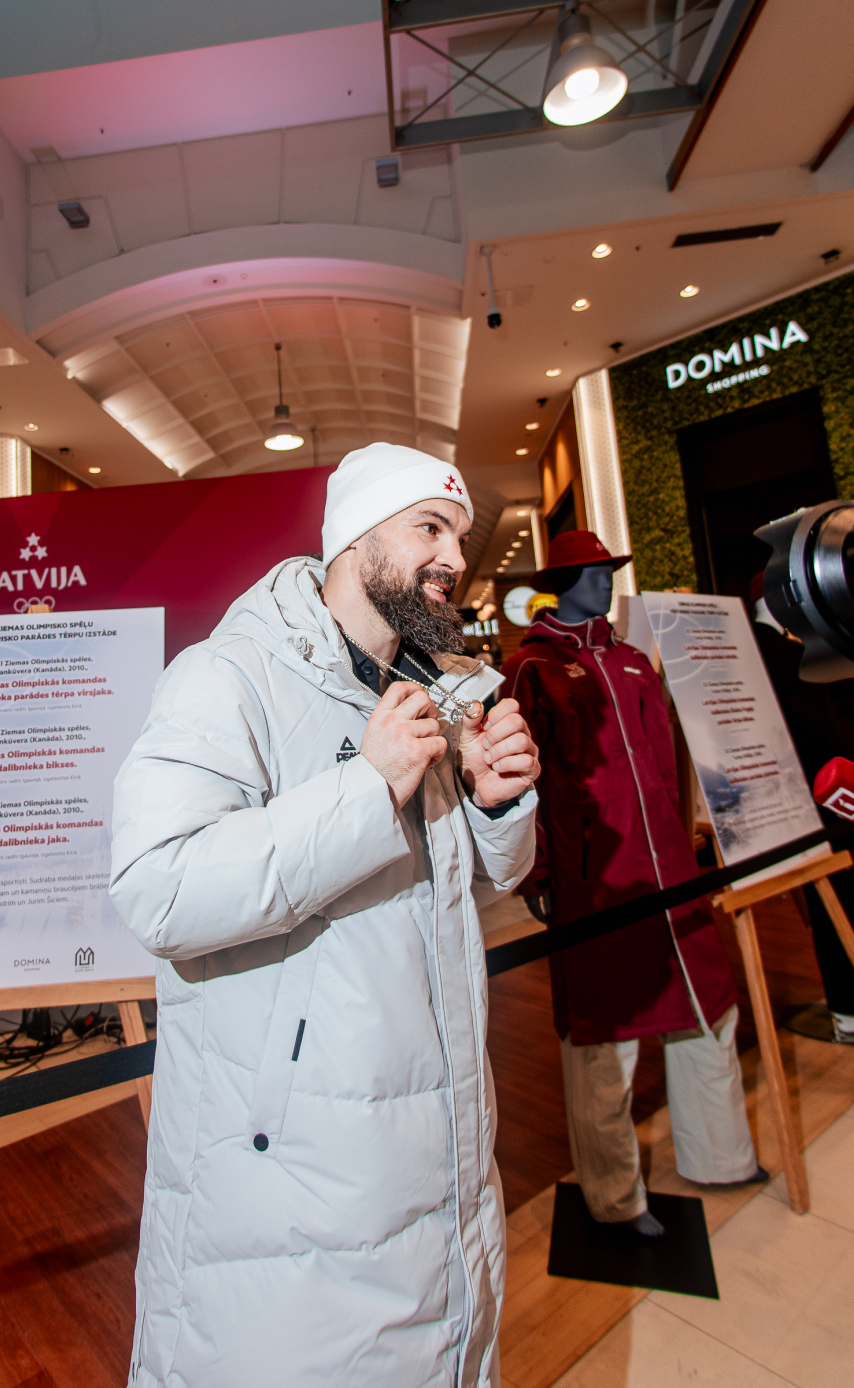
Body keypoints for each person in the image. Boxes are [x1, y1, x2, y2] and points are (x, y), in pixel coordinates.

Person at [110, 442, 540, 1388]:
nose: (454, 557)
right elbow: (160, 888)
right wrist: (367, 790)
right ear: (354, 539)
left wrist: (498, 803)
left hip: (440, 1159)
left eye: (459, 535)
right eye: (430, 527)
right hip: (294, 1183)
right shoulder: (226, 678)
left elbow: (478, 887)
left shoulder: (441, 689)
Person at [502, 530, 763, 1238]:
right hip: (600, 883)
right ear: (562, 582)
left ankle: (721, 1156)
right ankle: (615, 1199)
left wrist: (697, 836)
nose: (604, 585)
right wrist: (542, 872)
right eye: (589, 574)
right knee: (602, 1042)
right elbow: (518, 784)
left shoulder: (633, 664)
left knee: (709, 1007)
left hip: (671, 872)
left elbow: (666, 764)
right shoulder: (530, 668)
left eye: (608, 572)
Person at [749, 572, 854, 1042]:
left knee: (838, 900)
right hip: (812, 801)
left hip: (824, 795)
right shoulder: (775, 650)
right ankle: (847, 1008)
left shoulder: (787, 647)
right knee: (835, 901)